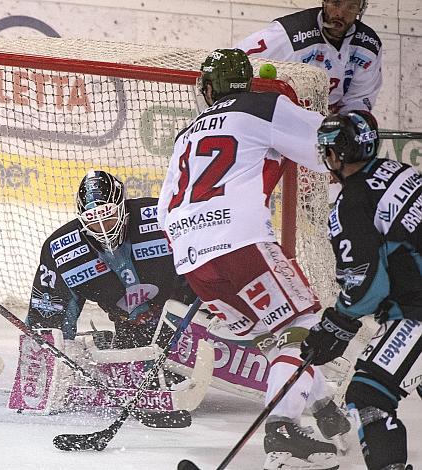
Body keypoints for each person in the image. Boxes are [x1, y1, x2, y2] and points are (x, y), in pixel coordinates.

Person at [157, 48, 351, 470]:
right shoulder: (262, 104)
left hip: (193, 262)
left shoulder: (185, 134)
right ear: (246, 83)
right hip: (241, 245)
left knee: (273, 340)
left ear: (207, 89)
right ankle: (282, 430)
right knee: (301, 327)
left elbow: (163, 211)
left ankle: (324, 410)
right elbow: (329, 141)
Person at [301, 111, 420, 470]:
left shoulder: (351, 202)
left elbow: (366, 284)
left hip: (415, 310)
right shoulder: (402, 173)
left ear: (337, 154)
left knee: (368, 394)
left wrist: (335, 324)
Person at [26, 169, 194, 349]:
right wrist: (56, 351)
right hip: (129, 330)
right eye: (93, 220)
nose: (103, 228)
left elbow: (202, 258)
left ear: (122, 207)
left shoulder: (162, 217)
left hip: (188, 321)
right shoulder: (60, 249)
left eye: (108, 217)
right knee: (128, 373)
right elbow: (47, 324)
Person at [235, 0, 382, 114]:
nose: (340, 13)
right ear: (325, 1)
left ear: (360, 9)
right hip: (283, 118)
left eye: (352, 6)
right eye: (336, 2)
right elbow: (232, 61)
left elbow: (359, 99)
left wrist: (347, 126)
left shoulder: (368, 46)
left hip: (327, 125)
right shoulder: (290, 33)